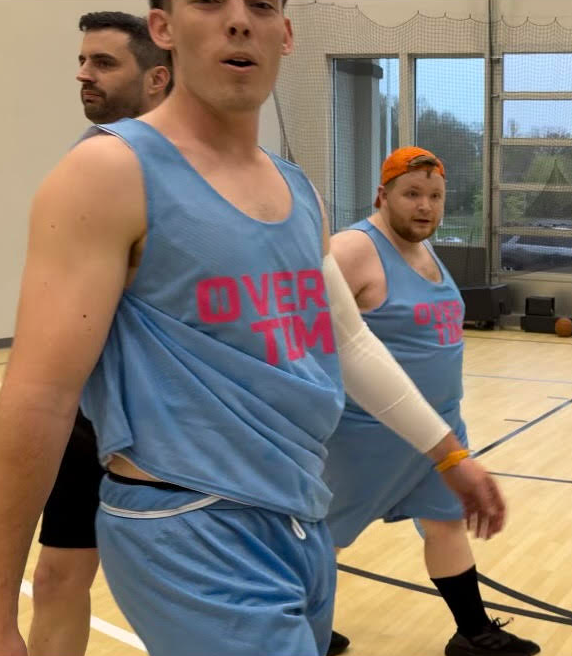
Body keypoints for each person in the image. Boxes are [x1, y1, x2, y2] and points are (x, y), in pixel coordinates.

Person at [0, 2, 504, 656]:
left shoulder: (298, 192)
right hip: (188, 524)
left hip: (298, 517)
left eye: (262, 5)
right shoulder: (108, 172)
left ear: (285, 33)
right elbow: (40, 394)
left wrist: (448, 454)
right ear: (163, 28)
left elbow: (348, 341)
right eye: (211, 1)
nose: (239, 21)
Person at [324, 147, 539, 656]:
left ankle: (473, 632)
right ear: (382, 196)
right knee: (322, 539)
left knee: (446, 524)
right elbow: (309, 333)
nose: (425, 206)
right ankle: (297, 628)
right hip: (365, 437)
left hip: (440, 432)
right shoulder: (354, 249)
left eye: (436, 196)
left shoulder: (424, 250)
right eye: (412, 194)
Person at [27, 12, 171, 656]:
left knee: (177, 596)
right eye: (83, 61)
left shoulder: (199, 172)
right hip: (88, 417)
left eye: (104, 63)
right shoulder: (88, 159)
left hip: (165, 431)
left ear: (157, 78)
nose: (84, 75)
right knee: (57, 577)